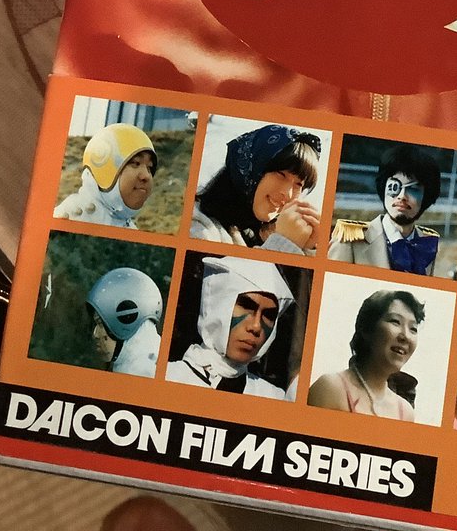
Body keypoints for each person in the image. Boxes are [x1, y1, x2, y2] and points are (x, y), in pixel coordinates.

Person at [167, 256, 294, 398]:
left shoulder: (273, 397)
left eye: (269, 315)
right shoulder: (167, 377)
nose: (256, 327)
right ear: (218, 304)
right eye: (246, 306)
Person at [191, 123, 322, 254]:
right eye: (281, 174)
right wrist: (282, 245)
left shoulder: (265, 234)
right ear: (252, 169)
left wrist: (305, 248)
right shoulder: (199, 228)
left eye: (299, 184)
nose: (288, 194)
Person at [308, 289, 424, 420]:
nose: (406, 336)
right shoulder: (330, 389)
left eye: (413, 329)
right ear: (367, 329)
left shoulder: (405, 413)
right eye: (395, 321)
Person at [329, 144, 442, 275]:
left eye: (414, 189)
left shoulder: (427, 244)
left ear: (427, 197)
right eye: (394, 186)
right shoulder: (350, 241)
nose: (402, 196)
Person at [54, 123, 156, 229]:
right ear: (104, 167)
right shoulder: (68, 218)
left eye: (150, 167)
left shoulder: (132, 229)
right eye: (136, 163)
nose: (146, 176)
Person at [87, 267, 163, 378]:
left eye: (100, 324)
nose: (95, 334)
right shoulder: (141, 366)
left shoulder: (142, 374)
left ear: (127, 318)